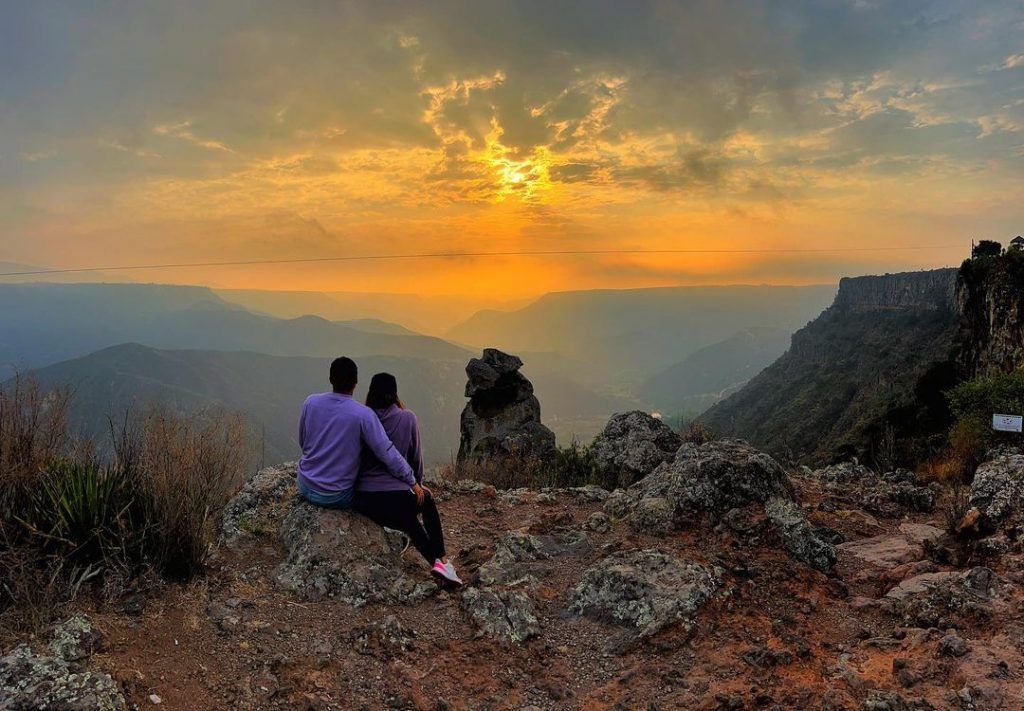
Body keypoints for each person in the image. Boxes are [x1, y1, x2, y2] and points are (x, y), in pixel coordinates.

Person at [354, 372, 462, 585]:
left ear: (371, 392)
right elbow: (415, 458)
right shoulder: (407, 418)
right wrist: (418, 484)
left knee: (409, 521)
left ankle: (439, 564)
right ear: (394, 393)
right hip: (396, 499)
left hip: (364, 500)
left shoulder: (363, 419)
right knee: (424, 504)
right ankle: (441, 560)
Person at [297, 357, 415, 510]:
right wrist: (412, 480)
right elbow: (387, 453)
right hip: (337, 495)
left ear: (330, 379)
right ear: (356, 382)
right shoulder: (363, 415)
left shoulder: (310, 402)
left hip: (305, 485)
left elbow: (303, 441)